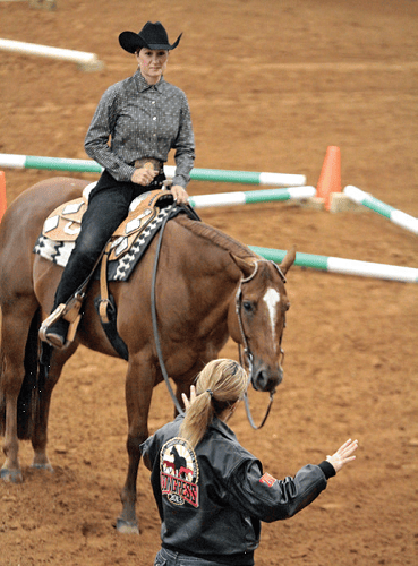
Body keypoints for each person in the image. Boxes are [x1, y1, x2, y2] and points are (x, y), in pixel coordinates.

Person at [40, 21, 195, 348]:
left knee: (192, 239)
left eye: (161, 55)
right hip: (116, 185)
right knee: (89, 242)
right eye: (149, 54)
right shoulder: (117, 94)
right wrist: (126, 172)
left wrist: (180, 181)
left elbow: (186, 148)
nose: (155, 61)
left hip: (158, 186)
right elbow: (94, 143)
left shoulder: (177, 99)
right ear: (137, 55)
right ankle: (61, 311)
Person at [142, 359, 358, 566]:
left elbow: (150, 454)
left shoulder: (167, 435)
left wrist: (184, 422)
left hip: (168, 559)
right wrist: (326, 468)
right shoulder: (233, 459)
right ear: (235, 405)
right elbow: (278, 500)